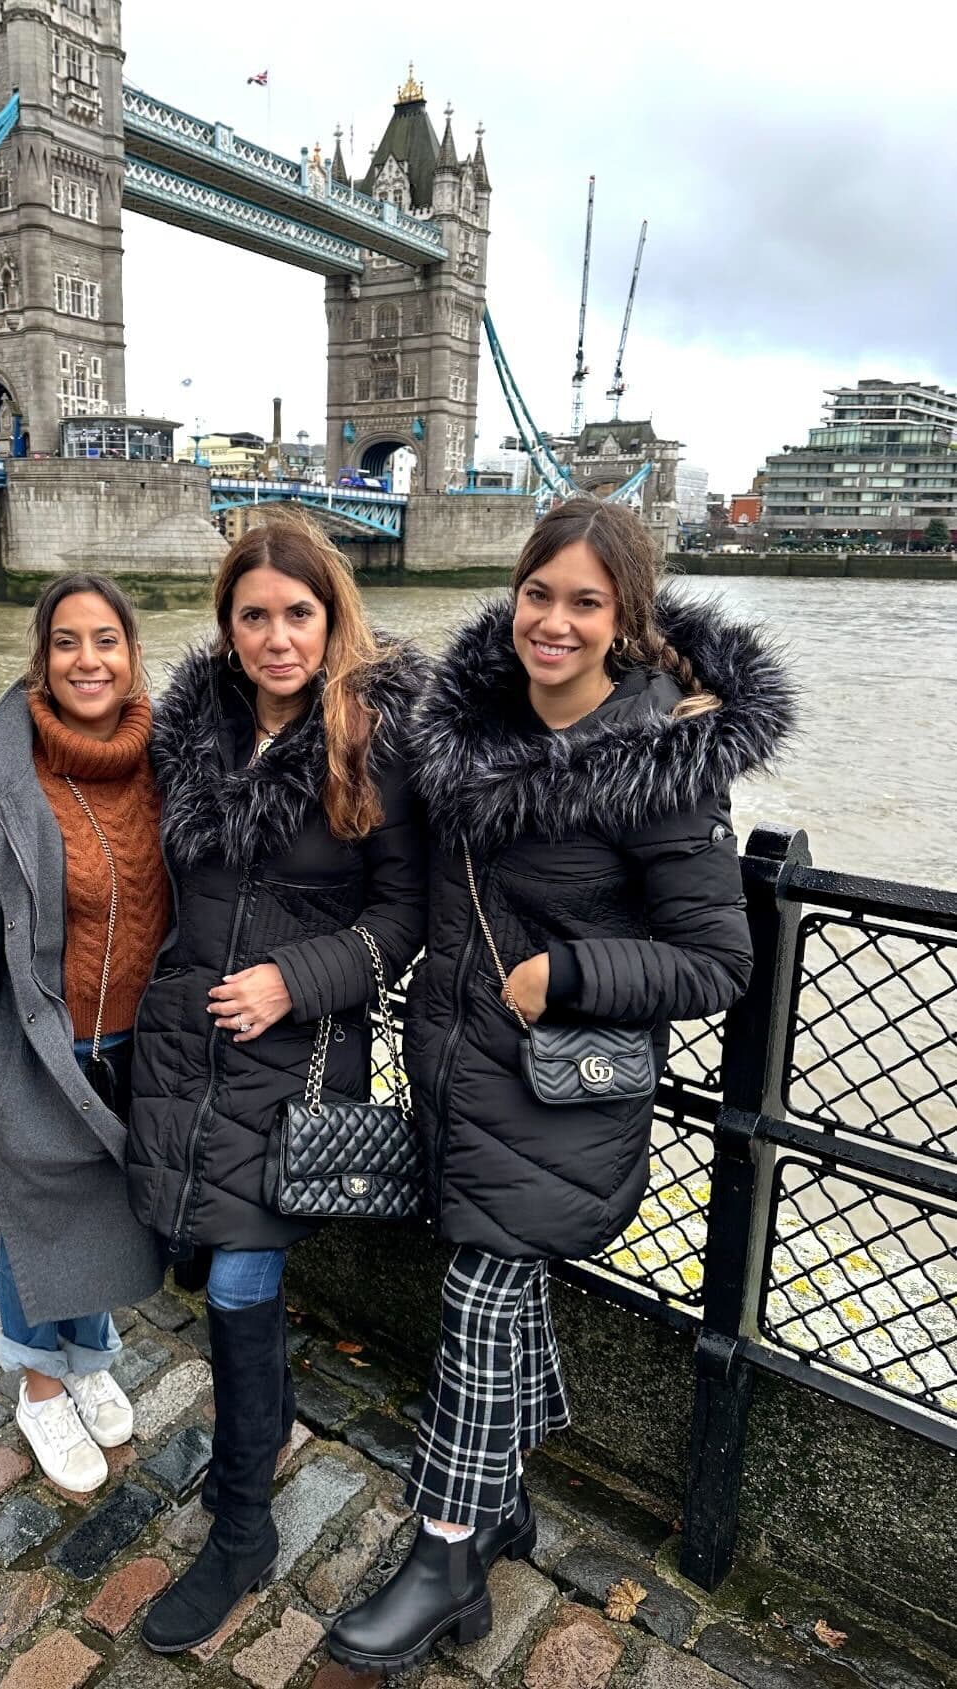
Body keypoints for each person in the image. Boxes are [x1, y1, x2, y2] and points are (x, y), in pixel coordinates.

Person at [328, 497, 795, 1673]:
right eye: (540, 592)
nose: (554, 621)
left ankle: (442, 1554)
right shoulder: (464, 721)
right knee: (502, 1293)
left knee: (484, 1299)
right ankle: (504, 1513)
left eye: (586, 602)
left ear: (625, 618)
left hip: (557, 1092)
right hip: (449, 1065)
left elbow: (719, 964)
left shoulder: (663, 762)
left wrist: (570, 971)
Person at [128, 515, 427, 1654]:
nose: (276, 636)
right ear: (227, 626)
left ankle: (241, 1530)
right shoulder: (191, 728)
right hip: (182, 1047)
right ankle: (263, 1440)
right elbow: (87, 755)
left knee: (246, 1287)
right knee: (202, 1275)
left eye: (297, 613)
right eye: (253, 615)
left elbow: (403, 917)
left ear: (331, 614)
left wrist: (293, 981)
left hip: (293, 1060)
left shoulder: (375, 735)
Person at [0, 573, 170, 1495]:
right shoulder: (0, 780)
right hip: (34, 1053)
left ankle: (89, 1356)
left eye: (105, 640)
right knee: (35, 1224)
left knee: (109, 1213)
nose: (86, 659)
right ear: (42, 658)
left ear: (133, 655)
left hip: (139, 1049)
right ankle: (40, 1384)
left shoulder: (169, 763)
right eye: (66, 641)